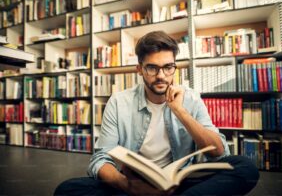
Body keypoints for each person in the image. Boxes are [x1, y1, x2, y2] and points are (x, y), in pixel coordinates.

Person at [54, 31, 259, 196]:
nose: (161, 76)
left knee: (245, 169)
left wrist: (180, 112)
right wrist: (129, 187)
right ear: (139, 69)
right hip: (135, 185)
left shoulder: (191, 98)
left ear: (175, 68)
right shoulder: (119, 102)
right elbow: (100, 160)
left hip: (180, 183)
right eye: (152, 68)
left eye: (168, 67)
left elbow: (219, 153)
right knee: (67, 190)